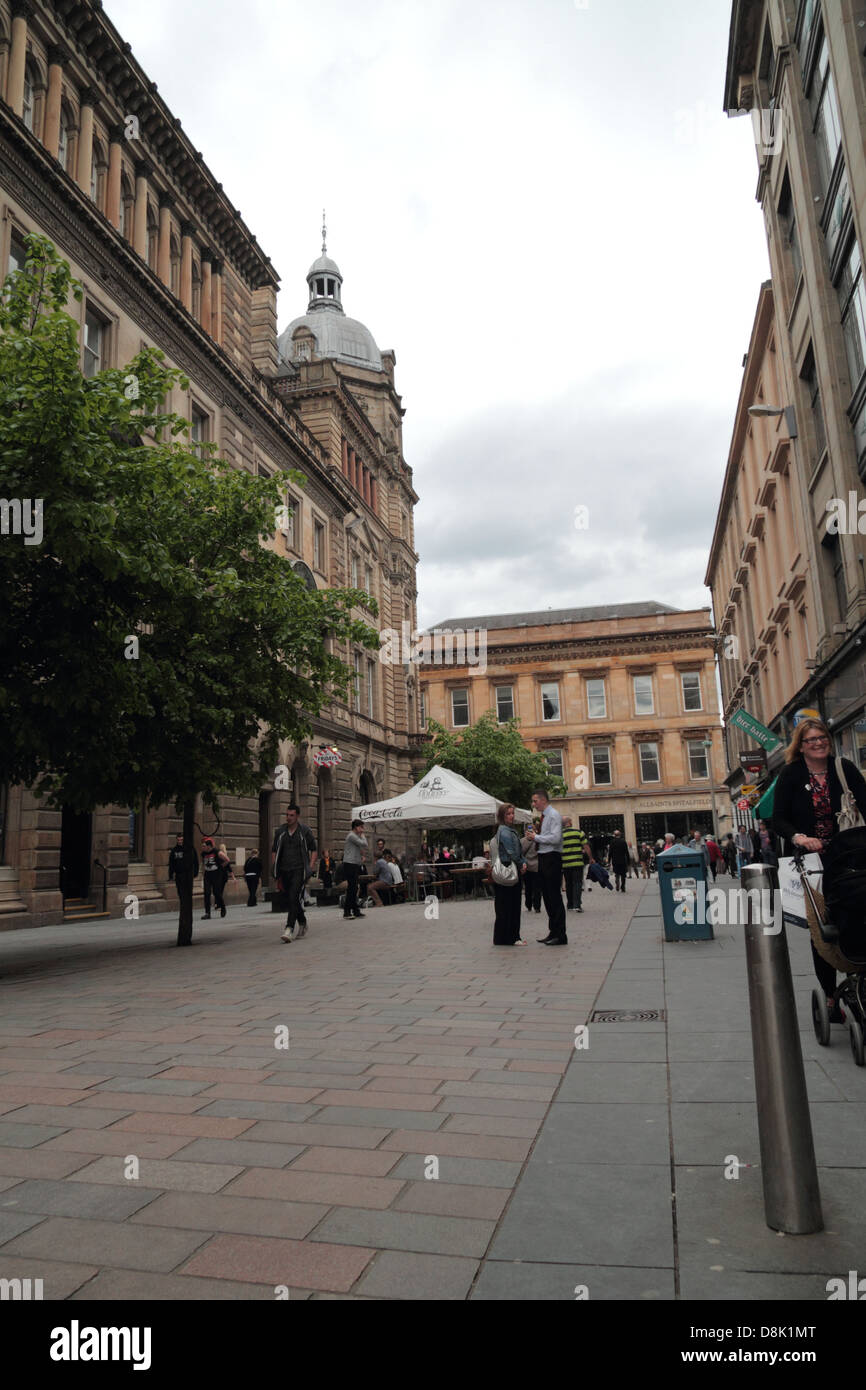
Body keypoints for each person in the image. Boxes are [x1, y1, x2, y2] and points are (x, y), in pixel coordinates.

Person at [772, 717, 866, 1019]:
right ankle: (829, 994)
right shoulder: (791, 774)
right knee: (822, 928)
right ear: (800, 746)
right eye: (811, 739)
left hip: (850, 856)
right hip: (812, 862)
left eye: (822, 737)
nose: (819, 743)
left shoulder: (844, 768)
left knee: (858, 912)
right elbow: (778, 819)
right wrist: (799, 837)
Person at [272, 804, 317, 943]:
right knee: (290, 899)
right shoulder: (281, 832)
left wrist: (309, 867)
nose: (288, 818)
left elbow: (313, 850)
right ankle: (302, 922)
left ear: (297, 816)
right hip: (284, 870)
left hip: (299, 869)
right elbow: (274, 850)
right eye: (287, 815)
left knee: (293, 896)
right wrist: (275, 866)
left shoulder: (304, 831)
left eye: (291, 815)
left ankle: (289, 928)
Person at [528, 789, 567, 945]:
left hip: (552, 857)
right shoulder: (545, 816)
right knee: (547, 896)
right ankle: (553, 931)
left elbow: (556, 838)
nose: (533, 804)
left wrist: (536, 837)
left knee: (554, 896)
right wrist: (535, 836)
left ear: (543, 800)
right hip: (544, 857)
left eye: (535, 801)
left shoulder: (553, 815)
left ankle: (560, 934)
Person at [490, 802, 527, 945]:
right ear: (502, 816)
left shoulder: (504, 830)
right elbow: (513, 852)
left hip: (504, 870)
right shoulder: (505, 831)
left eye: (512, 813)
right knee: (512, 905)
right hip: (509, 869)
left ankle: (501, 937)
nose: (511, 816)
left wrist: (522, 861)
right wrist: (521, 864)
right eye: (508, 814)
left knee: (502, 905)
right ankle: (513, 937)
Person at [561, 818, 591, 912]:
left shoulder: (559, 835)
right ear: (570, 823)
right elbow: (586, 846)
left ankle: (570, 904)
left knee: (569, 883)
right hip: (577, 862)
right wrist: (591, 858)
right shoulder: (579, 832)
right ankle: (577, 904)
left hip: (565, 863)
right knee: (577, 883)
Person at [342, 820, 367, 920]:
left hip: (354, 863)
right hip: (349, 863)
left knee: (354, 888)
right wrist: (363, 834)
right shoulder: (352, 836)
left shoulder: (355, 836)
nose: (362, 829)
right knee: (352, 888)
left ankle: (355, 910)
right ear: (356, 827)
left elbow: (360, 847)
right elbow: (364, 844)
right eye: (361, 827)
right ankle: (347, 911)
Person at [200, 837, 227, 920]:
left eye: (204, 846)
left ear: (209, 846)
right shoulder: (203, 853)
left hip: (216, 874)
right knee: (207, 893)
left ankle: (222, 907)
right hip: (208, 875)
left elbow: (227, 860)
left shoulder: (217, 852)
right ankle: (207, 913)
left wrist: (220, 867)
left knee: (217, 893)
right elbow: (203, 863)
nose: (203, 848)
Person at [168, 833, 199, 901]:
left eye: (181, 840)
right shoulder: (174, 850)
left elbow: (195, 861)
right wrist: (170, 875)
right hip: (179, 874)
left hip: (188, 873)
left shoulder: (190, 849)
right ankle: (183, 903)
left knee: (188, 891)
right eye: (178, 840)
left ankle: (187, 904)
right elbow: (171, 863)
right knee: (180, 891)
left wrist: (196, 872)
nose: (180, 841)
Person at [521, 824, 542, 913]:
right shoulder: (538, 840)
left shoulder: (522, 841)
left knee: (528, 887)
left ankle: (528, 905)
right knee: (537, 888)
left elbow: (520, 853)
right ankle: (537, 906)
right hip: (537, 866)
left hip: (526, 866)